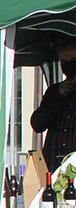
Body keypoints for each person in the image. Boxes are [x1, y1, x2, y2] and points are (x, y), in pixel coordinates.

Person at [31, 38, 76, 171]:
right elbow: (38, 124)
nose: (68, 65)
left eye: (73, 61)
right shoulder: (55, 90)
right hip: (54, 164)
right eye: (63, 62)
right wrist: (59, 96)